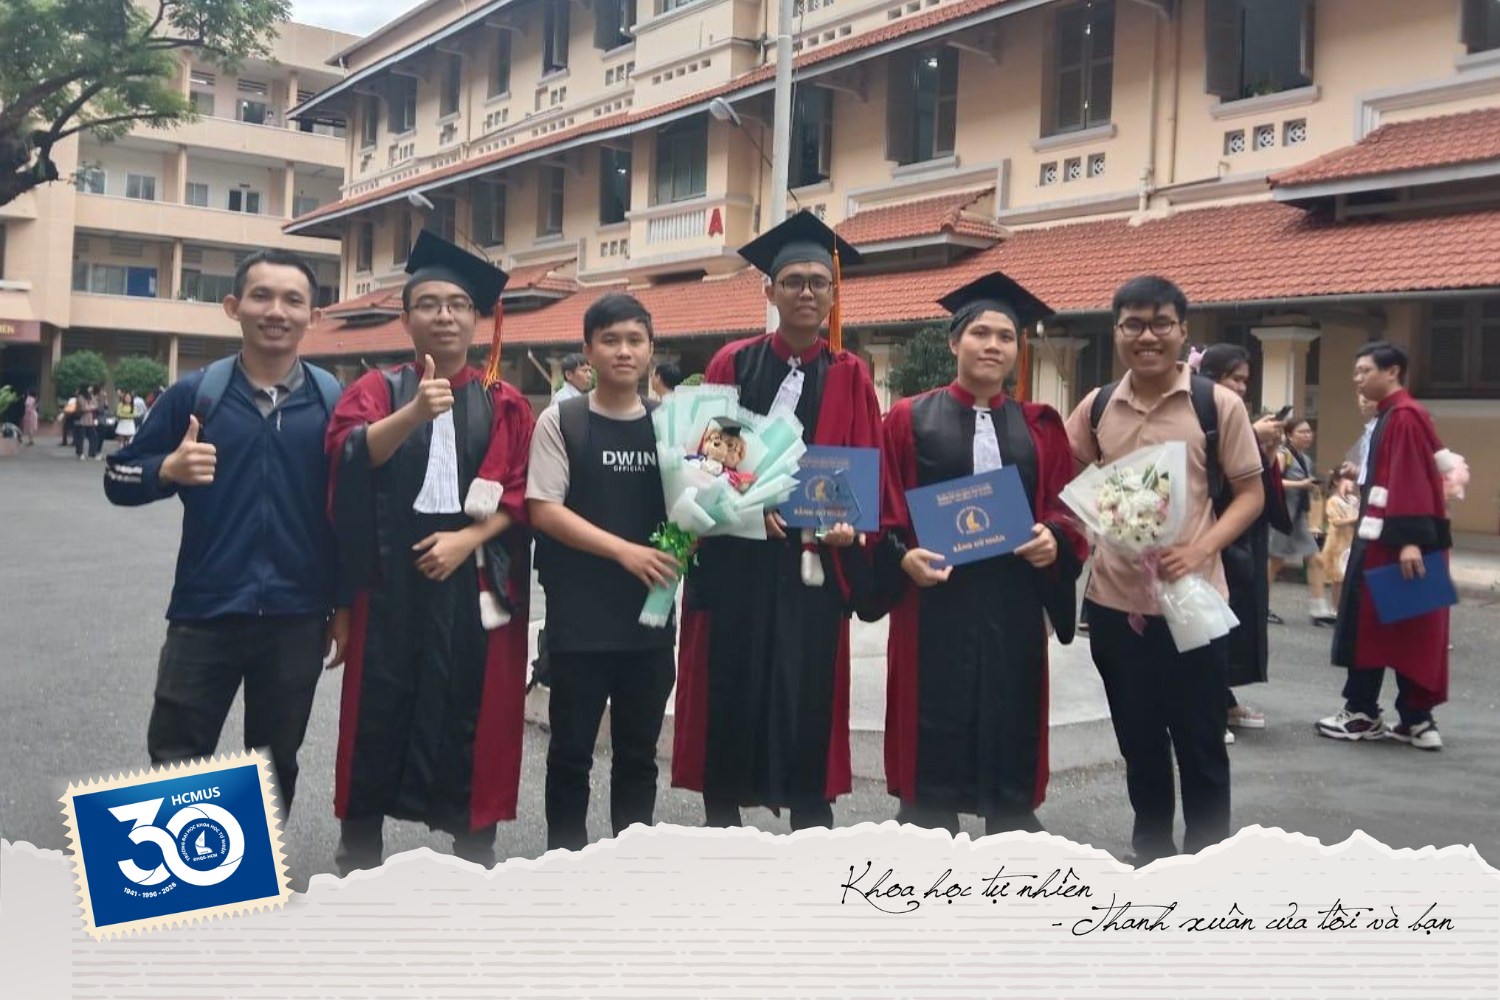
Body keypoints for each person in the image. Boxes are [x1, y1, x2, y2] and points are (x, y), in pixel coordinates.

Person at [103, 249, 345, 813]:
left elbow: (350, 515)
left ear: (313, 316)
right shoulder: (195, 396)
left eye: (292, 300)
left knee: (275, 765)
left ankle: (249, 866)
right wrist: (166, 469)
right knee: (177, 758)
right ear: (233, 307)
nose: (276, 311)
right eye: (261, 296)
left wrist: (344, 606)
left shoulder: (332, 403)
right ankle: (178, 869)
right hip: (204, 612)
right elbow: (118, 477)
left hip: (297, 616)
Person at [326, 231, 536, 873]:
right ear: (406, 317)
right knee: (378, 710)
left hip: (471, 583)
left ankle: (474, 848)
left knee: (474, 712)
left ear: (477, 319)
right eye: (428, 304)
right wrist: (415, 413)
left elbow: (522, 494)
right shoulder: (376, 390)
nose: (444, 315)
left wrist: (465, 540)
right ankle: (359, 849)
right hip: (389, 582)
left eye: (457, 304)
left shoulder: (504, 403)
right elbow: (348, 457)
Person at [674, 210, 884, 831]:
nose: (806, 293)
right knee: (731, 686)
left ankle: (811, 823)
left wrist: (852, 527)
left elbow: (865, 468)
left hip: (812, 568)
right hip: (738, 562)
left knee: (806, 690)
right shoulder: (733, 364)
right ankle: (723, 823)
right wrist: (748, 505)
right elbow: (708, 464)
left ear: (833, 294)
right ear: (769, 290)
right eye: (792, 281)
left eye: (818, 282)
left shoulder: (849, 374)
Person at [873, 272, 1086, 835]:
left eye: (1006, 336)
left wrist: (1054, 538)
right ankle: (927, 811)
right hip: (933, 600)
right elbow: (884, 504)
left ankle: (1009, 810)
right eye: (980, 333)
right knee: (933, 708)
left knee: (1010, 703)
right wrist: (902, 557)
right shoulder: (908, 419)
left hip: (1012, 599)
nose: (993, 346)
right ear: (954, 342)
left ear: (1018, 348)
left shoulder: (1040, 427)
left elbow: (1065, 506)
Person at [1064, 275, 1264, 864]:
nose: (1146, 336)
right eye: (1133, 324)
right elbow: (1067, 481)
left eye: (1159, 324)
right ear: (1116, 331)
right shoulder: (1097, 406)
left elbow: (1250, 494)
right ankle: (1150, 850)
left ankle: (1207, 861)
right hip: (1115, 604)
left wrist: (1202, 548)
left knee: (1201, 741)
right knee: (1139, 740)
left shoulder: (1215, 404)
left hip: (1193, 601)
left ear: (1182, 331)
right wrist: (1089, 523)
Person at [526, 293, 679, 852]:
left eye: (635, 340)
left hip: (650, 622)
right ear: (588, 351)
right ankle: (565, 865)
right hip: (580, 622)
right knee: (571, 756)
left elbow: (701, 501)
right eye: (610, 340)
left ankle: (629, 867)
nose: (623, 351)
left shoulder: (673, 427)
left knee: (638, 758)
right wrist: (624, 552)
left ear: (651, 350)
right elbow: (544, 509)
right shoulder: (562, 421)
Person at [1320, 342, 1451, 751]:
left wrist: (1410, 540)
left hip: (1394, 543)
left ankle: (1362, 713)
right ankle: (1417, 719)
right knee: (1409, 629)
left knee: (1371, 628)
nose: (1357, 379)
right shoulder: (1396, 415)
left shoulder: (1404, 416)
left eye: (1364, 371)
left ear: (1391, 371)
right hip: (1397, 538)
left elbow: (1409, 479)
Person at [1193, 344, 1292, 741]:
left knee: (1235, 620)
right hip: (1207, 534)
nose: (1241, 388)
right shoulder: (1198, 409)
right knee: (1207, 623)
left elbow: (1252, 484)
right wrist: (1250, 435)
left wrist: (1263, 451)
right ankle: (1206, 707)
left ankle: (1222, 696)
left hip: (1242, 536)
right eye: (1235, 378)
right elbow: (1200, 460)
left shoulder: (1231, 413)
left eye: (1245, 381)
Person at [1268, 417, 1333, 624]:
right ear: (1289, 435)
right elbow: (1272, 482)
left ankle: (1319, 611)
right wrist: (1301, 484)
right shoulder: (1283, 455)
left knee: (1316, 559)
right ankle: (1260, 607)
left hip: (1298, 519)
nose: (1307, 435)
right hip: (1282, 518)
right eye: (1302, 432)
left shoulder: (1306, 459)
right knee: (1275, 562)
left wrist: (1311, 487)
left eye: (1309, 432)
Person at [1321, 467, 1359, 613]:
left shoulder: (1354, 500)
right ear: (1337, 481)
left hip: (1350, 541)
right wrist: (1353, 520)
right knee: (1338, 578)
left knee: (1349, 576)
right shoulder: (1333, 501)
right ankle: (1335, 608)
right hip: (1337, 542)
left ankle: (1346, 608)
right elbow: (1335, 521)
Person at [75, 385, 101, 460]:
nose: (90, 389)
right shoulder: (80, 397)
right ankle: (80, 453)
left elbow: (96, 405)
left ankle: (92, 453)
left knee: (94, 436)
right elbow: (84, 408)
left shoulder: (91, 396)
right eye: (89, 388)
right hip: (81, 420)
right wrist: (91, 407)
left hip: (90, 420)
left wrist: (90, 407)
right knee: (80, 438)